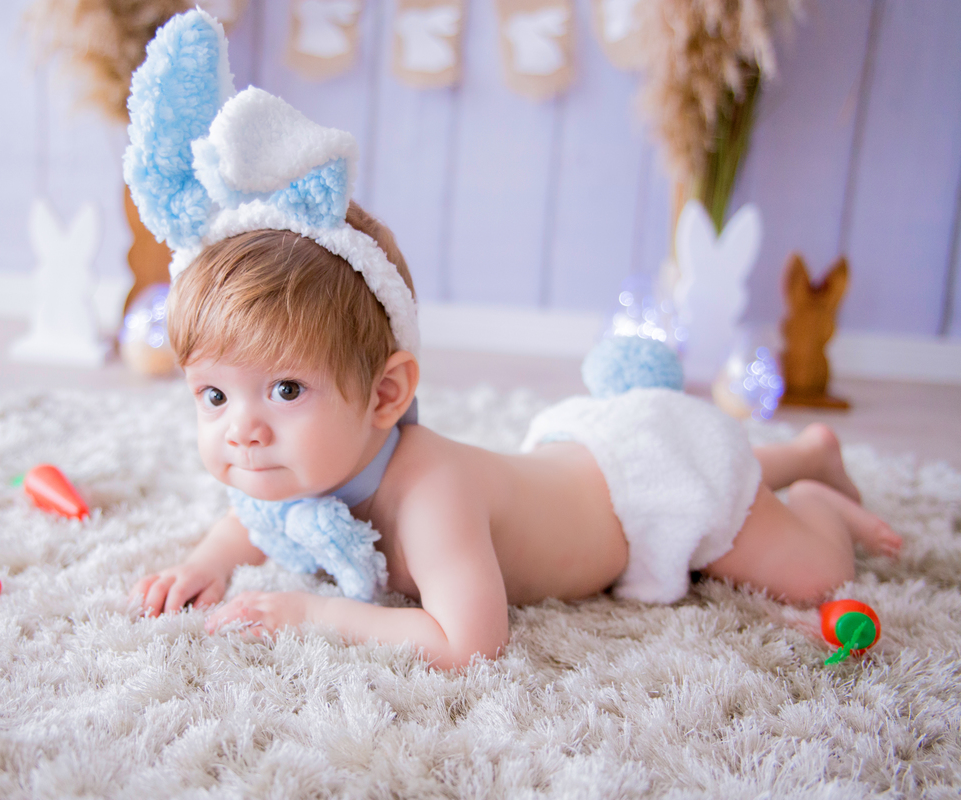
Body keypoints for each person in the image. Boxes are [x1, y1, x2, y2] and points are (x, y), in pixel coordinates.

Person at [124, 10, 901, 670]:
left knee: (811, 570)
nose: (243, 428)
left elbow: (469, 643)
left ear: (387, 394)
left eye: (286, 389)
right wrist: (204, 563)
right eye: (214, 396)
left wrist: (311, 614)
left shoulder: (432, 495)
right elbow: (254, 516)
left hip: (647, 488)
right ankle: (796, 452)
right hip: (588, 455)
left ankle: (818, 493)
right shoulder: (299, 459)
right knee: (724, 462)